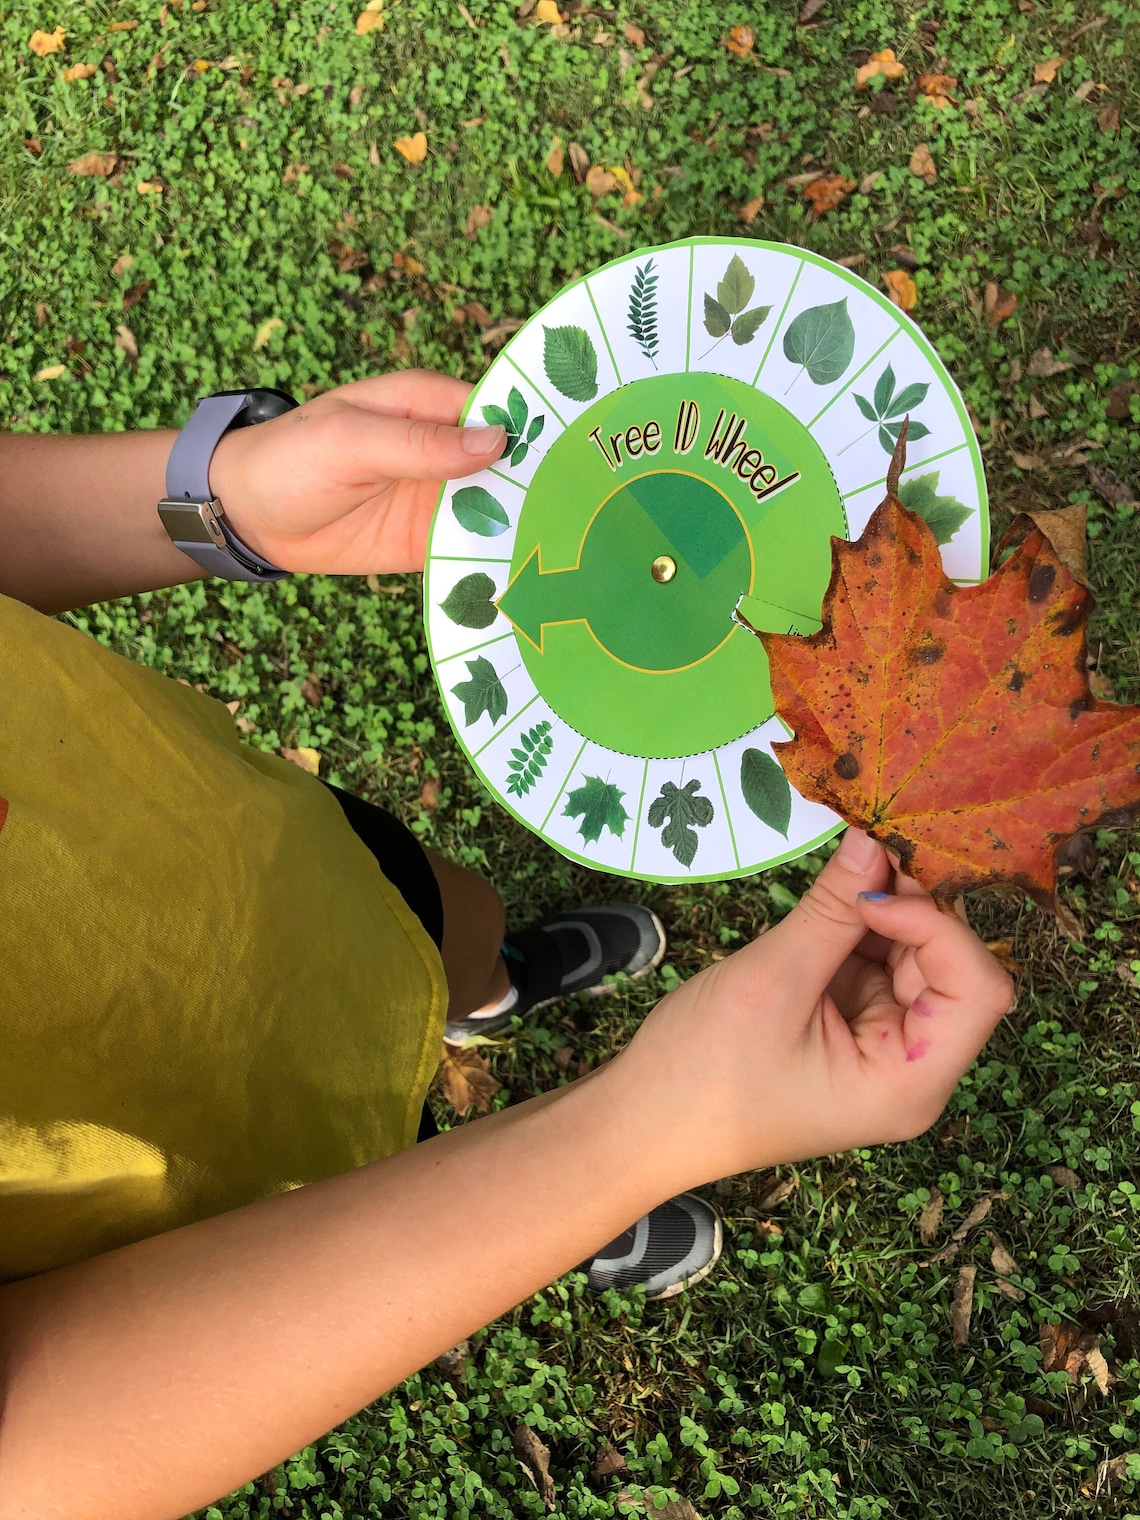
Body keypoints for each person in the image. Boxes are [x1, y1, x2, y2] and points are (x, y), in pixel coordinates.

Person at [0, 369, 1014, 1520]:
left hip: (228, 839)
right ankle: (551, 1206)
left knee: (443, 919)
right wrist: (627, 1139)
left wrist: (215, 494)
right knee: (386, 1166)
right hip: (177, 1185)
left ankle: (491, 985)